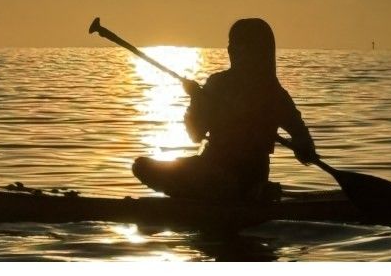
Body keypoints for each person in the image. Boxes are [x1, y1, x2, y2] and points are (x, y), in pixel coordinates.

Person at [132, 18, 319, 201]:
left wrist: (302, 146)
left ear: (257, 51)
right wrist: (196, 99)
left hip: (241, 176)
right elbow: (196, 134)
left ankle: (231, 193)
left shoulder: (273, 94)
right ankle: (226, 194)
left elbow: (304, 144)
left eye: (237, 45)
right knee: (141, 166)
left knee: (213, 180)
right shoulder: (219, 84)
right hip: (210, 168)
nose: (230, 50)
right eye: (231, 45)